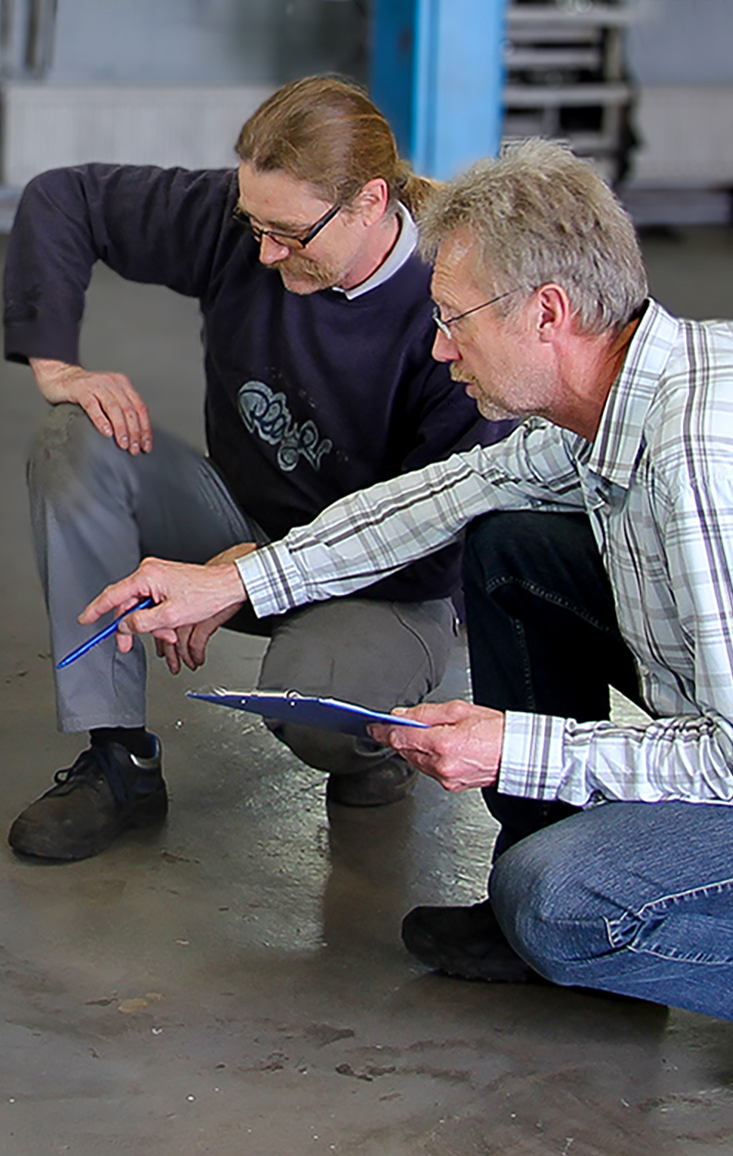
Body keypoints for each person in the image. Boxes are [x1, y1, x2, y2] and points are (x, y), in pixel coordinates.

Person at [82, 137, 733, 1018]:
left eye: (455, 319)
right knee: (512, 545)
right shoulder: (613, 404)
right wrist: (238, 582)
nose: (438, 350)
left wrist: (511, 747)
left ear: (546, 313)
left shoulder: (699, 460)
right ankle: (528, 887)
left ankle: (556, 909)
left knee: (562, 901)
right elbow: (433, 500)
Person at [2, 75, 510, 861]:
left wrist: (259, 572)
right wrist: (56, 366)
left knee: (314, 708)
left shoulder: (452, 310)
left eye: (291, 235)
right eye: (254, 226)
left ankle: (368, 747)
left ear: (372, 203)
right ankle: (119, 760)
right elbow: (64, 198)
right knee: (74, 442)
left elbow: (430, 541)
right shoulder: (254, 224)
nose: (265, 253)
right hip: (239, 527)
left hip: (390, 581)